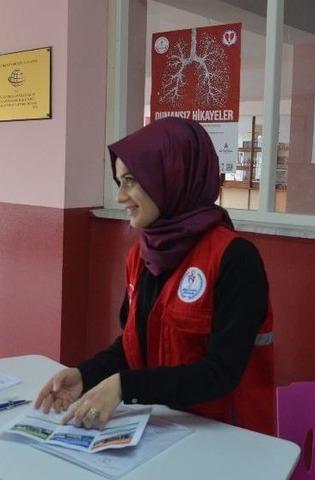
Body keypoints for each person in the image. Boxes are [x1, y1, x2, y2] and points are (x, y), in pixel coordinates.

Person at [35, 117, 275, 435]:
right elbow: (133, 346)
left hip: (228, 437)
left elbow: (220, 373)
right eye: (119, 181)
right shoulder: (142, 255)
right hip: (163, 427)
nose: (121, 197)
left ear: (171, 176)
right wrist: (85, 374)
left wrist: (125, 386)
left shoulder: (234, 259)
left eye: (131, 180)